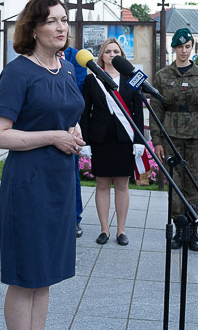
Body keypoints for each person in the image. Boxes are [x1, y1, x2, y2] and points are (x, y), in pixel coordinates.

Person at [0, 0, 85, 330]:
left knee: (45, 274)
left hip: (60, 181)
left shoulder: (68, 69)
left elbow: (66, 114)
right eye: (52, 21)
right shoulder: (18, 72)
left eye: (63, 20)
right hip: (28, 184)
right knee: (24, 275)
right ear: (33, 28)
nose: (61, 27)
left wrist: (73, 131)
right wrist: (53, 136)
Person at [150, 28, 198, 252]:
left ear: (191, 48)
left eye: (187, 47)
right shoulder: (163, 76)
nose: (184, 51)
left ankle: (193, 229)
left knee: (194, 184)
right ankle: (180, 228)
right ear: (174, 49)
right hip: (171, 137)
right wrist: (157, 141)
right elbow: (156, 111)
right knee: (175, 184)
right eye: (180, 47)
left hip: (197, 138)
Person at [79, 38, 145, 246]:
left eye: (116, 51)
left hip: (124, 138)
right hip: (100, 139)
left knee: (122, 185)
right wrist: (85, 142)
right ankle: (104, 229)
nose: (112, 55)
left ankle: (121, 230)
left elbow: (138, 111)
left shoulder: (131, 79)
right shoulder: (92, 80)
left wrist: (139, 139)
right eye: (108, 51)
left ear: (122, 55)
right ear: (101, 56)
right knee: (102, 184)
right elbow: (85, 113)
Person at [63, 46, 88, 238]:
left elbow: (77, 87)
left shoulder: (75, 56)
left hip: (70, 124)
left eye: (63, 22)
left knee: (71, 174)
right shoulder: (36, 55)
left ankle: (74, 219)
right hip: (43, 122)